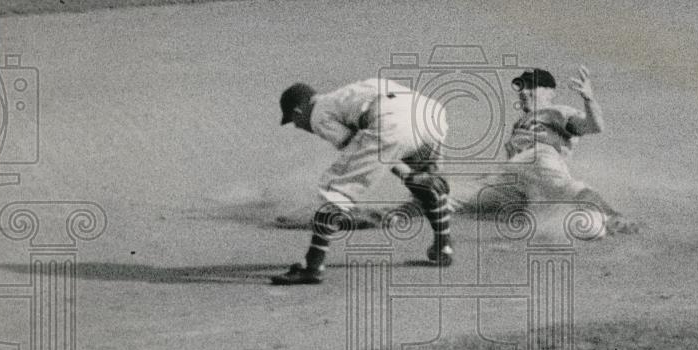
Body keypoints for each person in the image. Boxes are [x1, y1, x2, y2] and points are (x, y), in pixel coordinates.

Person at [270, 78, 453, 285]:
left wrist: (406, 174)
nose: (297, 126)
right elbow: (374, 144)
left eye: (294, 121)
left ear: (298, 111)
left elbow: (361, 146)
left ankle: (312, 266)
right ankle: (443, 245)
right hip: (430, 114)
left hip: (392, 120)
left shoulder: (318, 115)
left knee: (333, 190)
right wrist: (413, 174)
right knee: (428, 182)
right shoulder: (346, 94)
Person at [463, 66, 636, 234]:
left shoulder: (556, 111)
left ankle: (614, 217)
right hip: (520, 180)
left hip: (541, 159)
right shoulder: (520, 124)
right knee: (464, 198)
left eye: (532, 86)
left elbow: (594, 126)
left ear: (550, 92)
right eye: (522, 87)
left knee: (562, 185)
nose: (524, 91)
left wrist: (589, 100)